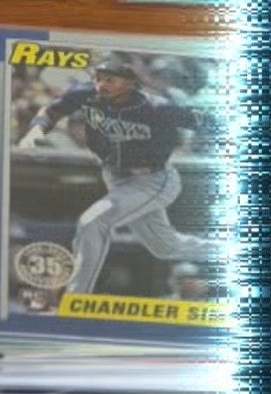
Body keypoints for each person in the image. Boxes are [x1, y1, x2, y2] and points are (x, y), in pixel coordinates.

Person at [17, 56, 218, 296]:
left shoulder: (157, 107)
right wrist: (36, 129)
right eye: (100, 79)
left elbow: (208, 122)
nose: (103, 85)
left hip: (153, 180)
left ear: (130, 84)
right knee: (165, 247)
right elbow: (52, 110)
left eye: (111, 80)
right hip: (116, 177)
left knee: (92, 222)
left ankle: (77, 296)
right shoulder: (86, 95)